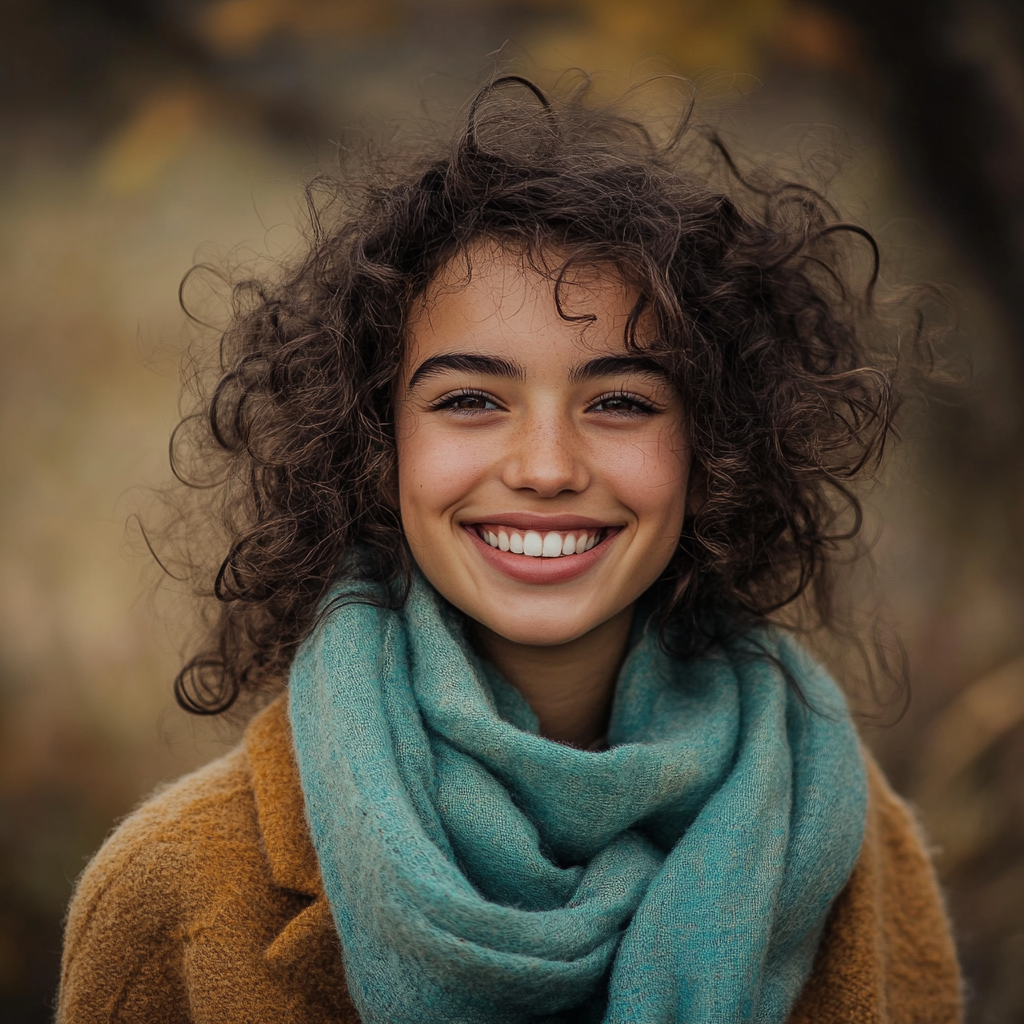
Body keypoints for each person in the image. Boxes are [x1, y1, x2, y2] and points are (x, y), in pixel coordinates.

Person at [56, 76, 962, 1023]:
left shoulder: (846, 835)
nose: (545, 468)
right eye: (469, 400)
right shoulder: (170, 893)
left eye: (620, 402)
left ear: (715, 447)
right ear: (373, 443)